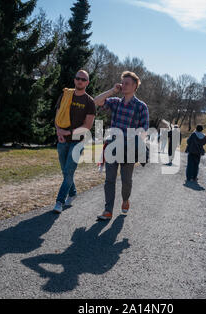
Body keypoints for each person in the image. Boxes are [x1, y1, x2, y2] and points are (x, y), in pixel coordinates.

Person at [94, 71, 149, 221]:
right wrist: (113, 90)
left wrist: (137, 142)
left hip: (129, 151)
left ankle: (125, 200)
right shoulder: (115, 102)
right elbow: (96, 101)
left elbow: (144, 129)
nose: (123, 86)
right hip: (112, 147)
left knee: (126, 182)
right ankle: (108, 211)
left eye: (127, 83)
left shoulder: (141, 106)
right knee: (109, 180)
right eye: (122, 83)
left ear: (135, 86)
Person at [52, 70, 96, 214]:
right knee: (65, 171)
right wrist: (59, 131)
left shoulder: (90, 102)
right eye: (78, 78)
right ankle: (73, 192)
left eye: (83, 79)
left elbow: (87, 127)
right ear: (74, 80)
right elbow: (58, 115)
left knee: (69, 171)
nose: (80, 81)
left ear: (87, 82)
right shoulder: (65, 95)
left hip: (78, 141)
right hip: (62, 139)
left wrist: (68, 132)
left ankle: (59, 201)